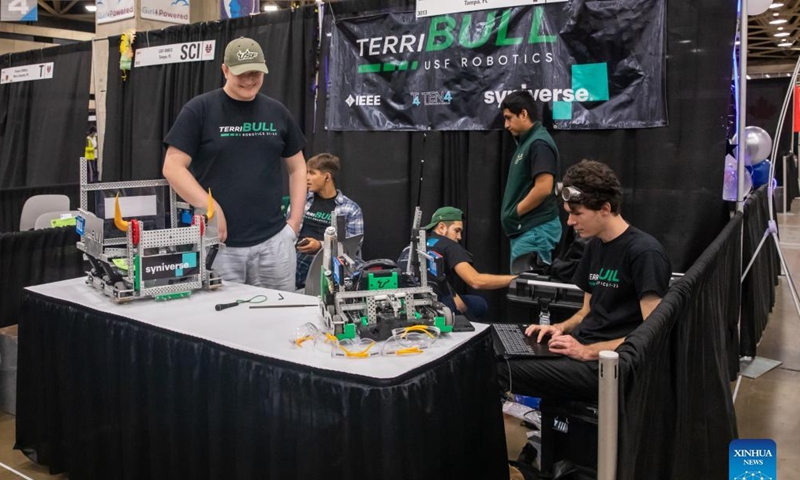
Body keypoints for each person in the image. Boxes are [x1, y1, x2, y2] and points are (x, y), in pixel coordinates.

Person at [497, 160, 671, 400]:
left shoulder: (644, 253)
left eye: (577, 214)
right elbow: (584, 314)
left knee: (498, 369)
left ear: (605, 209)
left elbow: (653, 336)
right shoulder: (594, 246)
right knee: (492, 349)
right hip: (580, 350)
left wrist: (588, 352)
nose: (570, 222)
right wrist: (557, 328)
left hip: (607, 365)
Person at [162, 37, 306, 290]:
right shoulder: (200, 109)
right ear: (225, 70)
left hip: (274, 244)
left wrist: (294, 223)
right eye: (241, 73)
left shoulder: (277, 112)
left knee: (280, 313)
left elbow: (298, 168)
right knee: (220, 315)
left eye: (255, 73)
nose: (249, 80)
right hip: (220, 247)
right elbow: (172, 167)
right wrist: (211, 207)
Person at [401, 207, 517, 319]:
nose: (459, 237)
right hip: (431, 307)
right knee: (480, 304)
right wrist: (516, 279)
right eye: (457, 230)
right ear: (441, 228)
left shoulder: (411, 247)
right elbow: (476, 281)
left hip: (402, 304)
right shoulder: (448, 245)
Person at [500, 90, 562, 271]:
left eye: (508, 118)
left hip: (535, 231)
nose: (506, 125)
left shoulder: (538, 143)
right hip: (528, 231)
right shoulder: (527, 143)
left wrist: (515, 213)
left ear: (523, 114)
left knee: (529, 287)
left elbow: (544, 188)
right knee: (523, 286)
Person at [294, 153, 364, 290]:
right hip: (300, 258)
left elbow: (354, 246)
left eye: (312, 173)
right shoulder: (301, 201)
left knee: (360, 271)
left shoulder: (350, 209)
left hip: (333, 259)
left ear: (327, 177)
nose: (307, 178)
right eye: (306, 172)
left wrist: (320, 246)